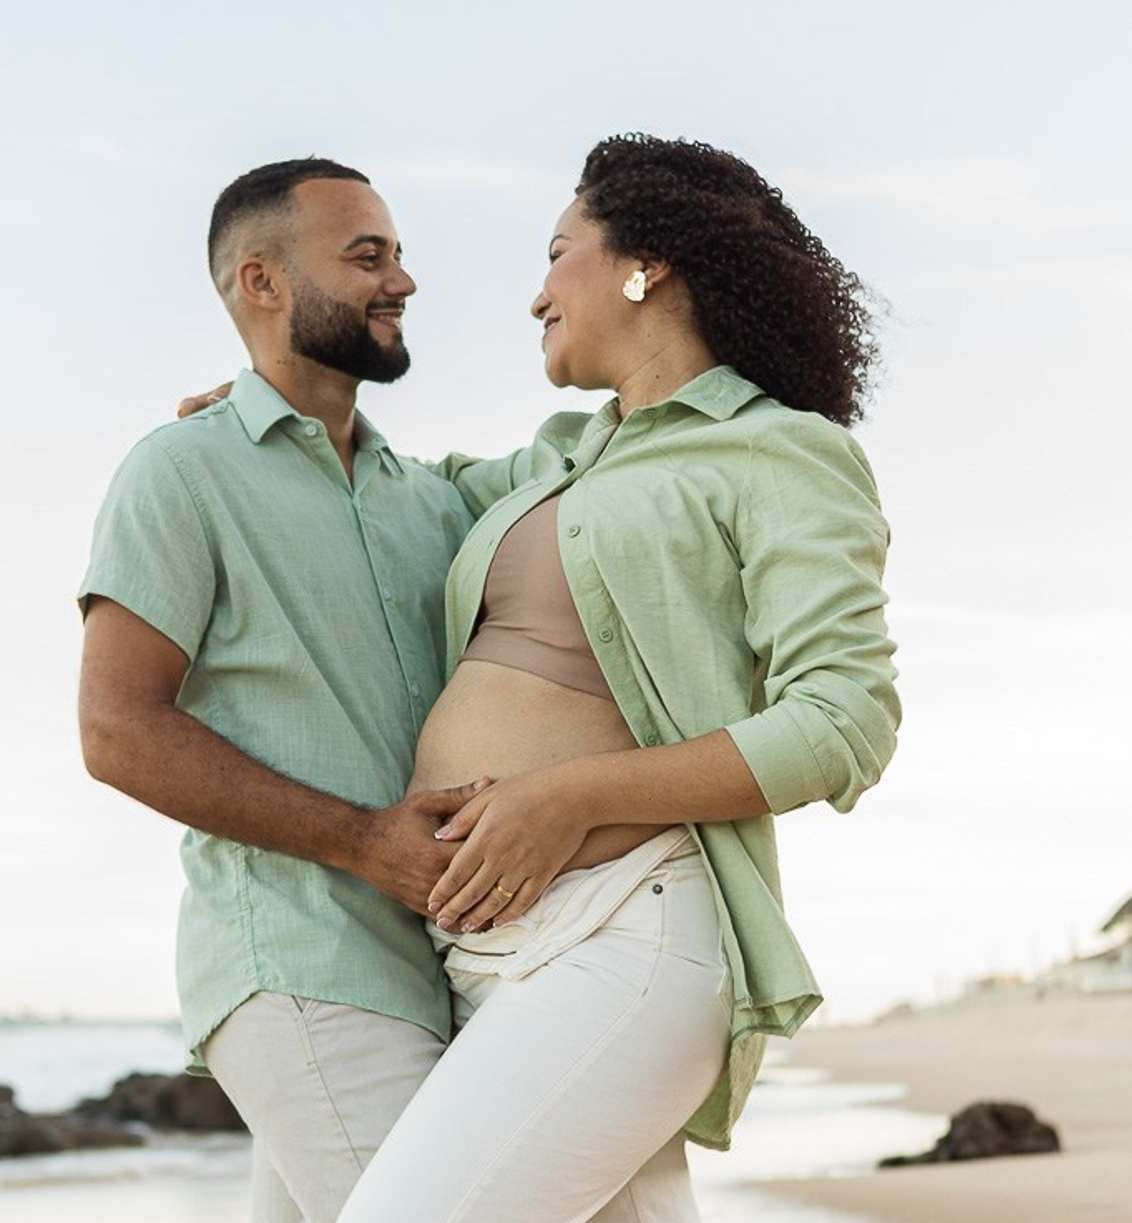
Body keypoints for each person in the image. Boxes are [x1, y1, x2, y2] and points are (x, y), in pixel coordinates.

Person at [329, 134, 900, 1223]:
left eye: (557, 252)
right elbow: (382, 487)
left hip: (621, 930)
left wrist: (566, 796)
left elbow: (841, 721)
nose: (534, 294)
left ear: (647, 265)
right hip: (471, 956)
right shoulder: (553, 457)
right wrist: (262, 423)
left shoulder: (780, 451)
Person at [77, 158, 486, 1223]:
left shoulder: (436, 501)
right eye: (367, 256)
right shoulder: (180, 471)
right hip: (299, 967)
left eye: (395, 252)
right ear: (261, 282)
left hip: (445, 978)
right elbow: (117, 729)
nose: (401, 280)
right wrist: (363, 841)